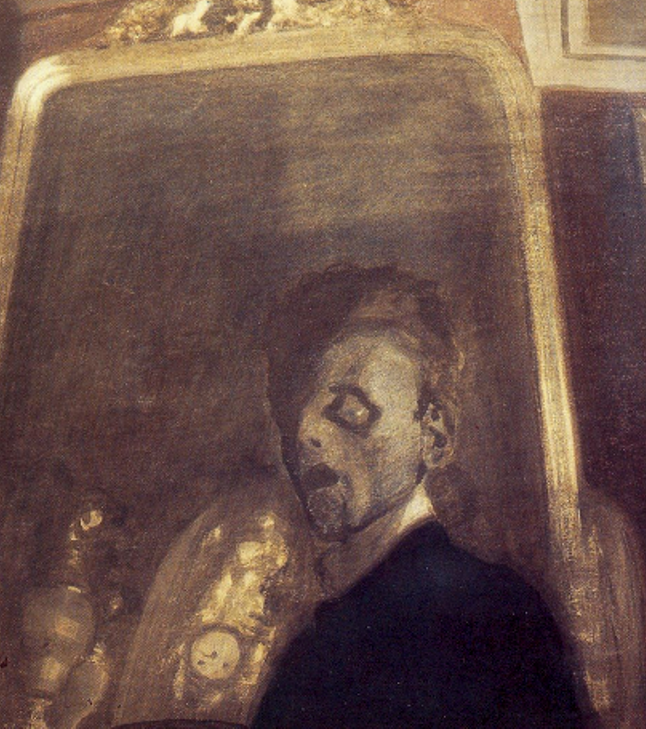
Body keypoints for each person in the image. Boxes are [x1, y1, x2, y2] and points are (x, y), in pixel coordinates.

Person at [112, 265, 584, 728]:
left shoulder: (494, 615)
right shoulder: (315, 636)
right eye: (291, 412)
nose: (305, 434)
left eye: (348, 408)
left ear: (434, 433)